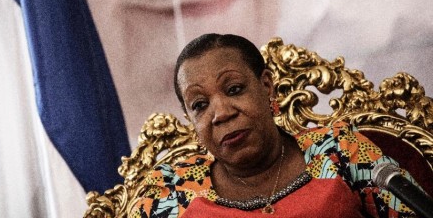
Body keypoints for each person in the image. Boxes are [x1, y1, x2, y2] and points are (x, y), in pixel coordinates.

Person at [132, 33, 420, 217]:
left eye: (233, 89)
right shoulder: (168, 190)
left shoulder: (339, 150)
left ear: (267, 86)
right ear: (190, 120)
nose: (221, 113)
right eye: (199, 105)